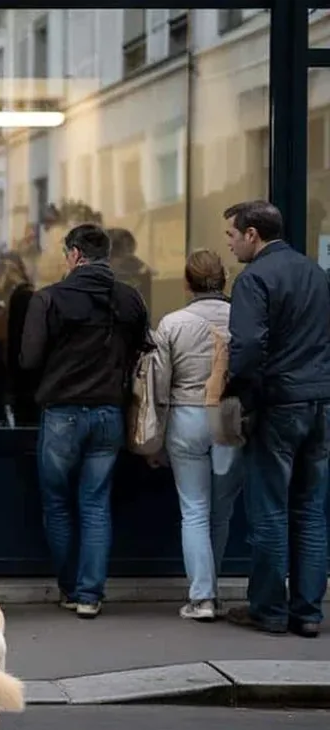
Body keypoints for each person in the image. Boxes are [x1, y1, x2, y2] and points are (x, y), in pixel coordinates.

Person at [20, 223, 149, 619]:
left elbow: (29, 360)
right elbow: (142, 350)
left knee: (57, 505)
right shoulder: (129, 298)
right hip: (109, 413)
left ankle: (70, 588)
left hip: (62, 413)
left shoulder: (48, 299)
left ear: (75, 254)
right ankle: (90, 596)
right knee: (96, 505)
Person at [222, 200, 330, 638]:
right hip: (320, 401)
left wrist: (242, 397)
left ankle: (268, 609)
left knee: (269, 511)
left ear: (252, 234)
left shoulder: (254, 279)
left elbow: (247, 347)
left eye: (232, 235)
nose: (230, 245)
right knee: (311, 510)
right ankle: (308, 612)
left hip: (278, 404)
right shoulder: (316, 274)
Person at [153, 249, 243, 621]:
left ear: (186, 283)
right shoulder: (242, 317)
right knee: (221, 512)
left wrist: (155, 436)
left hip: (185, 415)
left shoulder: (172, 323)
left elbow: (160, 383)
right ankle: (213, 591)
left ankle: (202, 597)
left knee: (194, 510)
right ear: (224, 279)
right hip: (228, 416)